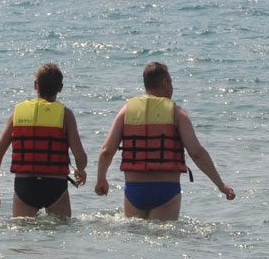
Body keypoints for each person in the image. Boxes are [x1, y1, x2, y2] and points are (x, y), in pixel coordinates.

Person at [95, 62, 235, 220]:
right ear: (165, 83)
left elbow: (107, 151)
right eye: (171, 82)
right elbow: (196, 152)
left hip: (135, 190)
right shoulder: (177, 113)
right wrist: (220, 185)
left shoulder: (126, 111)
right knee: (163, 234)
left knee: (136, 234)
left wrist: (101, 179)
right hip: (166, 190)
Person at [0, 64, 87, 218]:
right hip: (55, 186)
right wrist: (81, 170)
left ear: (36, 85)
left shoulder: (17, 114)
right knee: (60, 232)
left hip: (25, 186)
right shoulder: (66, 115)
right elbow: (80, 157)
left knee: (24, 232)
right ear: (60, 88)